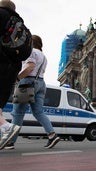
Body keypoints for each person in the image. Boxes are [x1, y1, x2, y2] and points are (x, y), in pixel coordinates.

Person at [6, 35, 60, 149]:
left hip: (27, 82)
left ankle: (10, 141)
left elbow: (30, 67)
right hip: (41, 84)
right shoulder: (44, 56)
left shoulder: (30, 52)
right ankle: (52, 135)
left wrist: (17, 78)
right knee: (38, 112)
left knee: (18, 113)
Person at [0, 0, 22, 150]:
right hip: (13, 68)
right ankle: (4, 130)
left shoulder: (1, 15)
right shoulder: (20, 24)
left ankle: (6, 127)